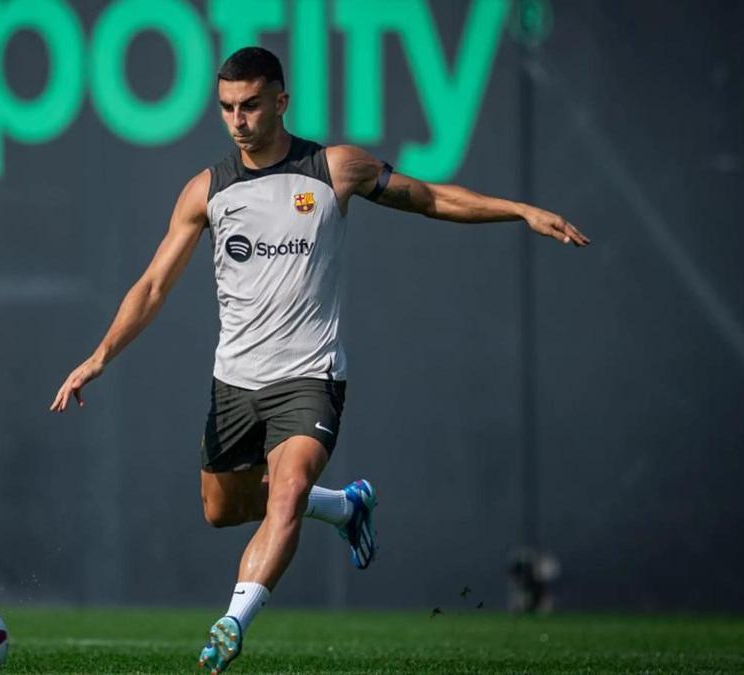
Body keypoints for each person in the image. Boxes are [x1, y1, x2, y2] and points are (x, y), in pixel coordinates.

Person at [50, 46, 589, 674]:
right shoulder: (207, 190)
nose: (238, 120)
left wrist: (521, 210)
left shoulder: (335, 168)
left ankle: (231, 625)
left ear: (280, 101)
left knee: (287, 493)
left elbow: (431, 198)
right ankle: (345, 505)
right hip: (235, 384)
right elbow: (150, 287)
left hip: (310, 377)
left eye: (250, 104)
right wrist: (100, 356)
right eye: (227, 107)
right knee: (221, 510)